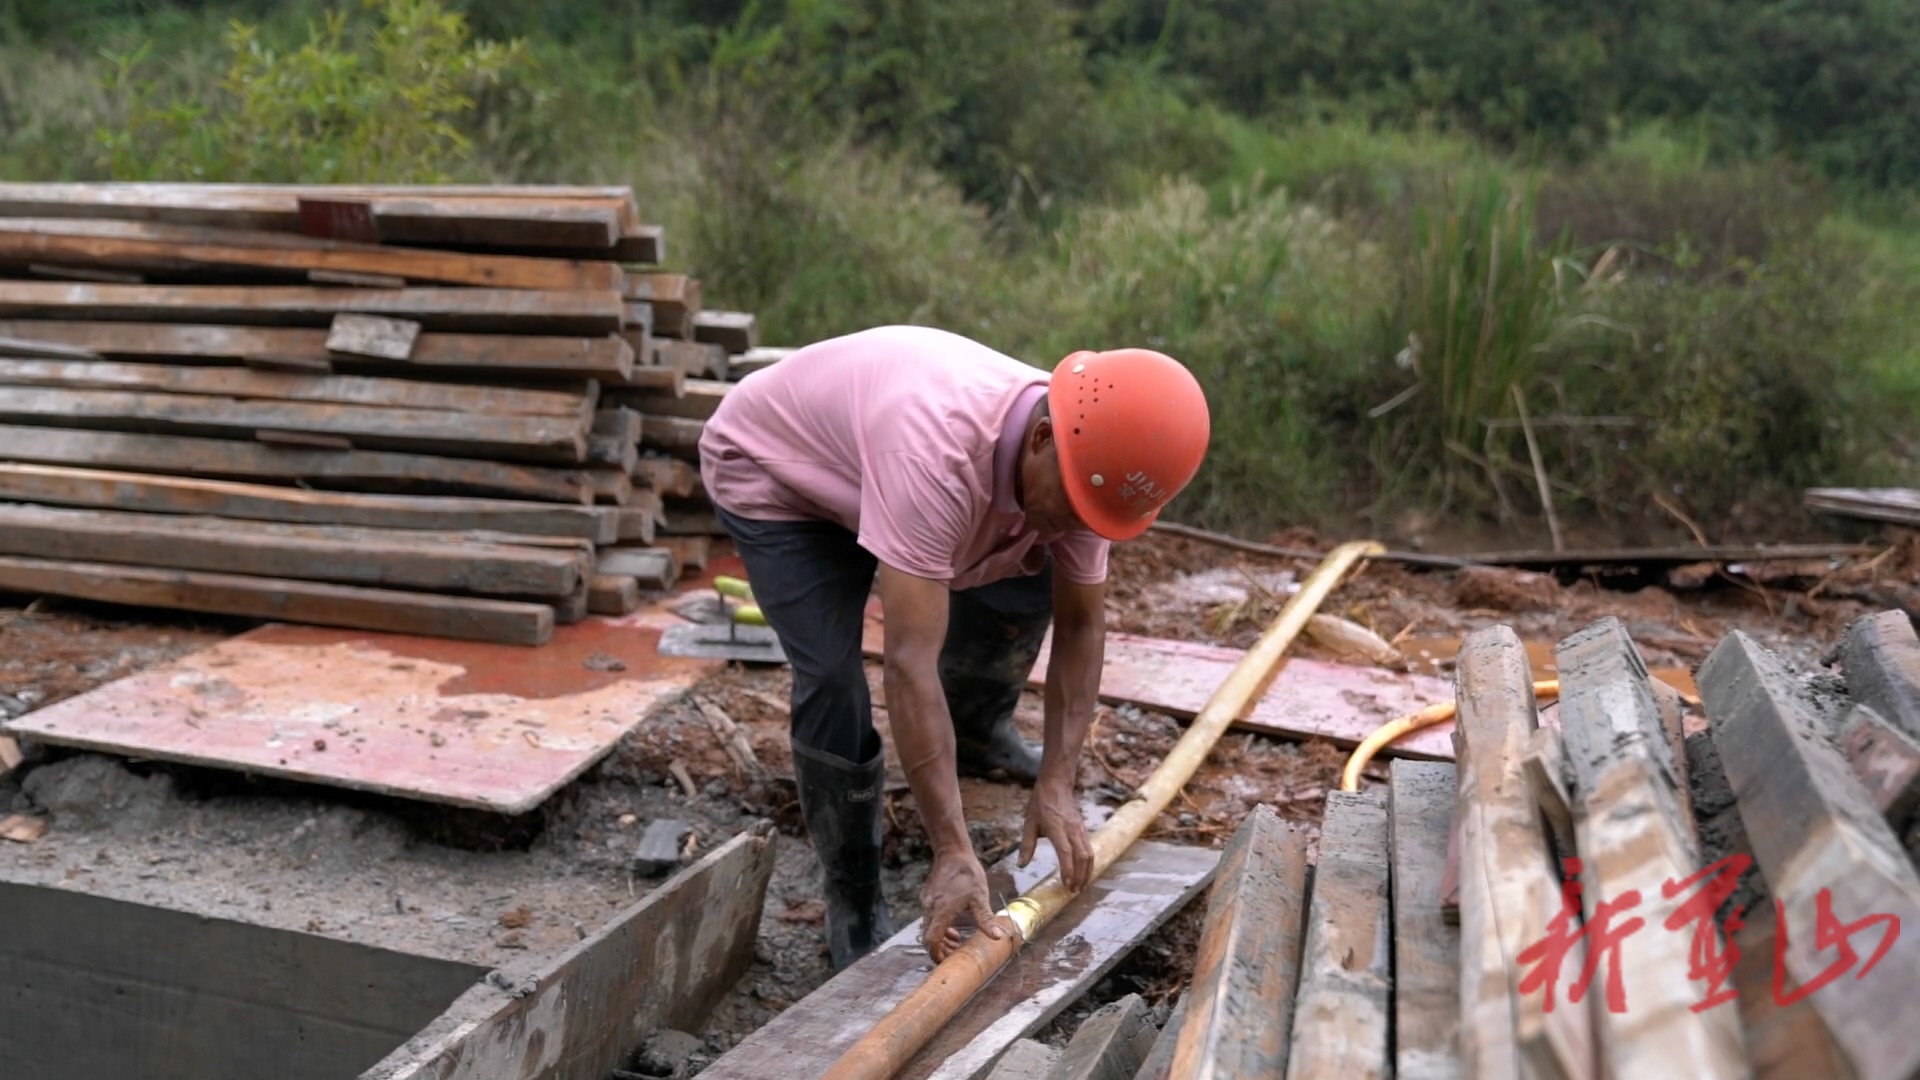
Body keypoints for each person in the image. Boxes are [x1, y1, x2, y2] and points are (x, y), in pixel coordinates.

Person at [697, 325, 1210, 971]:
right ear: (1043, 437)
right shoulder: (937, 453)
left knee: (1038, 564)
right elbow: (908, 665)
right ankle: (852, 891)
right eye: (1078, 504)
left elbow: (1082, 624)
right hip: (781, 477)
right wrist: (952, 849)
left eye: (1098, 517)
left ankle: (975, 730)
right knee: (832, 676)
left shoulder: (1088, 465)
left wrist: (1059, 781)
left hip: (884, 467)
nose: (1083, 525)